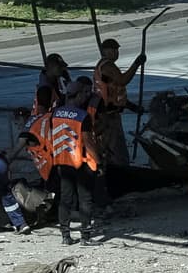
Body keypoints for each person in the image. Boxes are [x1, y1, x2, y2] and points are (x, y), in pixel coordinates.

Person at [46, 84, 102, 245]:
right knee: (85, 199)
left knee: (65, 199)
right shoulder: (82, 116)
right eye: (83, 95)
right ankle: (85, 237)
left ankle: (65, 235)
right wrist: (99, 162)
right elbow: (88, 142)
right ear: (76, 96)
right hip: (80, 163)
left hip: (62, 161)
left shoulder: (55, 114)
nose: (85, 98)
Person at [92, 38, 144, 169]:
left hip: (108, 111)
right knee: (117, 150)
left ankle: (112, 171)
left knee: (110, 148)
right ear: (105, 51)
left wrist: (132, 106)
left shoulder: (103, 66)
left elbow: (114, 93)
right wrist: (136, 64)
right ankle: (120, 174)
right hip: (108, 115)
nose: (116, 52)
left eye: (117, 50)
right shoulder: (107, 66)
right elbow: (122, 80)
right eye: (113, 50)